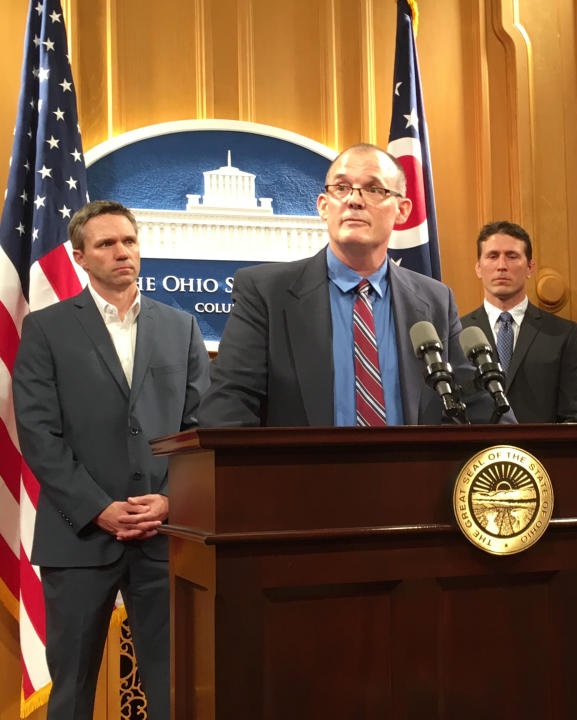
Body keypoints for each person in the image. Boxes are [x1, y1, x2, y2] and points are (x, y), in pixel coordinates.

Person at [12, 200, 210, 720]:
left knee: (175, 690)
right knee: (72, 694)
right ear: (80, 256)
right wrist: (99, 507)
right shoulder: (46, 329)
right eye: (106, 244)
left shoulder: (180, 327)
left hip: (165, 536)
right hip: (78, 538)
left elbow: (198, 429)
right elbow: (38, 434)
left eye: (129, 241)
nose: (122, 252)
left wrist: (170, 500)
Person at [199, 143, 503, 427]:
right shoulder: (266, 293)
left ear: (402, 210)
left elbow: (480, 406)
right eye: (342, 187)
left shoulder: (434, 300)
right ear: (323, 206)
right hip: (300, 481)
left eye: (373, 188)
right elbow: (227, 407)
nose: (354, 199)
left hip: (411, 480)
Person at [460, 221, 577, 423]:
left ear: (530, 267)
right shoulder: (458, 333)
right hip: (475, 453)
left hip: (543, 453)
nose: (502, 266)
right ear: (479, 267)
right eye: (493, 256)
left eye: (512, 256)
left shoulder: (563, 334)